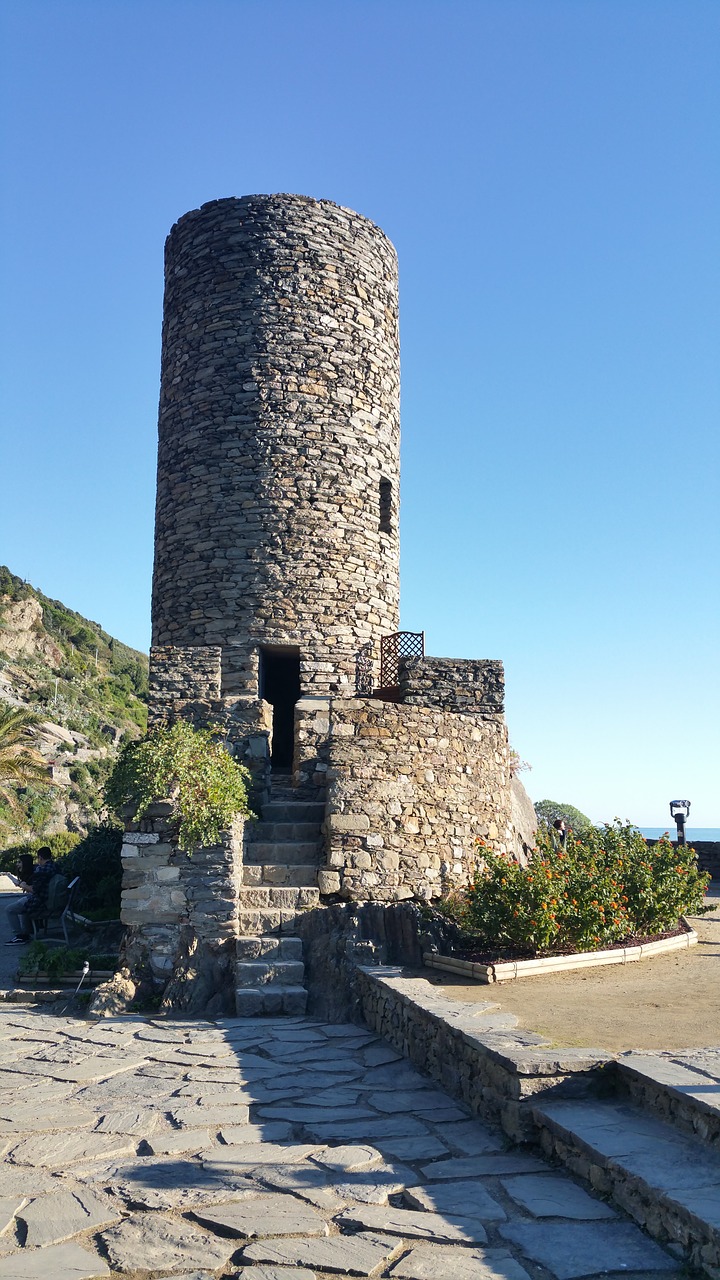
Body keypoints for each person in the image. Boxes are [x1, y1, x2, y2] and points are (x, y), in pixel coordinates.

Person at [6, 846, 56, 944]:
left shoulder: (42, 871)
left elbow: (34, 890)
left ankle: (20, 936)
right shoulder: (54, 866)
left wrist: (23, 885)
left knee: (9, 909)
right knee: (22, 903)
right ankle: (26, 933)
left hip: (42, 902)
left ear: (40, 857)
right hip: (48, 899)